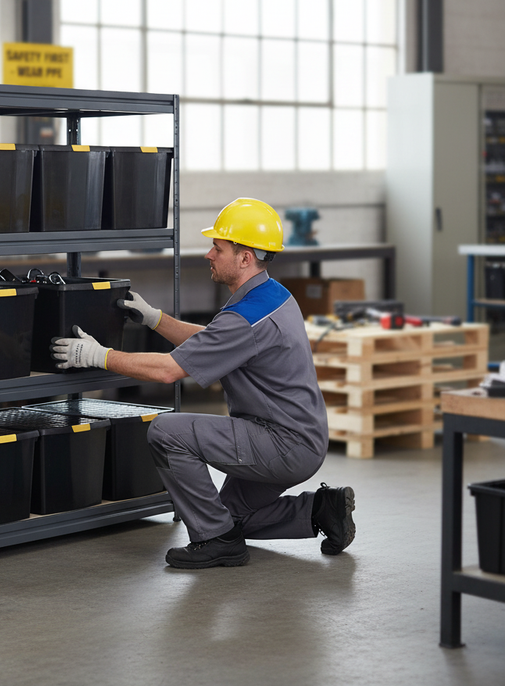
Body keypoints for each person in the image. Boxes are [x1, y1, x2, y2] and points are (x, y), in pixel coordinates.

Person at [50, 197, 356, 569]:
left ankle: (215, 540)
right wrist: (154, 319)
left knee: (166, 431)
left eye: (219, 247)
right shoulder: (272, 296)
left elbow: (169, 370)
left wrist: (97, 356)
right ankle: (322, 509)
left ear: (245, 258)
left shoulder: (247, 316)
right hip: (299, 438)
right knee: (230, 515)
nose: (209, 254)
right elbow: (214, 341)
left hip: (282, 442)